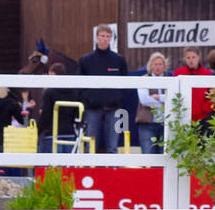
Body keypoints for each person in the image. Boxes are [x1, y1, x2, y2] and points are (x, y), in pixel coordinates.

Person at [77, 24, 129, 153]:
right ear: (96, 37)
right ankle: (90, 172)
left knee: (113, 147)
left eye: (107, 36)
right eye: (102, 36)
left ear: (111, 38)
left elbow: (126, 83)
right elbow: (79, 84)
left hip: (114, 110)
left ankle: (112, 172)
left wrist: (117, 98)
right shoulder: (86, 60)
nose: (105, 39)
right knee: (90, 147)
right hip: (92, 110)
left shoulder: (119, 60)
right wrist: (88, 100)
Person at [135, 52, 169, 154]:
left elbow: (173, 98)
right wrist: (164, 100)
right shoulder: (144, 79)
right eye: (155, 64)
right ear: (150, 65)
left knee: (164, 155)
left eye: (160, 64)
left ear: (164, 66)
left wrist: (158, 97)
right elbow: (144, 100)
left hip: (165, 123)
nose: (158, 67)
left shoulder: (170, 80)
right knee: (148, 155)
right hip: (147, 124)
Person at [38, 63, 76, 152]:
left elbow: (46, 115)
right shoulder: (73, 92)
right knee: (68, 164)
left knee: (54, 165)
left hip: (52, 133)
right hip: (69, 132)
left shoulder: (49, 92)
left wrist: (38, 130)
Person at [173, 47, 214, 125]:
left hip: (203, 117)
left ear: (199, 57)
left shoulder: (207, 74)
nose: (191, 60)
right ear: (185, 59)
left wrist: (203, 109)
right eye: (188, 58)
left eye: (193, 57)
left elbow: (213, 95)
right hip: (182, 115)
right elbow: (173, 92)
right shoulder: (178, 73)